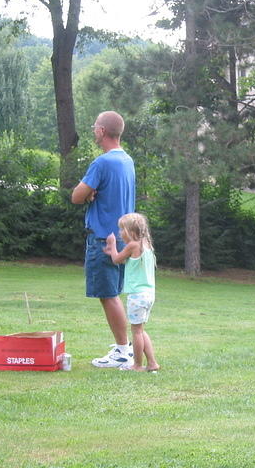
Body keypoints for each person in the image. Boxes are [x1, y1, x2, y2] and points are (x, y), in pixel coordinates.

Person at [72, 111, 136, 367]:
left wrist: (87, 195)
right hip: (123, 237)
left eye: (94, 127)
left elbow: (76, 196)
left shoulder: (102, 163)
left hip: (103, 239)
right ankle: (125, 347)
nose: (93, 131)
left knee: (108, 295)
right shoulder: (127, 161)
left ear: (101, 131)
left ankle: (123, 351)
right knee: (113, 293)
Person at [104, 213, 160, 372]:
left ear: (131, 231)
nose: (120, 233)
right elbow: (123, 258)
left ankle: (137, 365)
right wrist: (114, 252)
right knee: (140, 330)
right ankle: (152, 363)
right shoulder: (146, 244)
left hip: (137, 296)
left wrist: (112, 246)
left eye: (122, 230)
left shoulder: (132, 246)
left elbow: (116, 260)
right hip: (149, 295)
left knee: (135, 333)